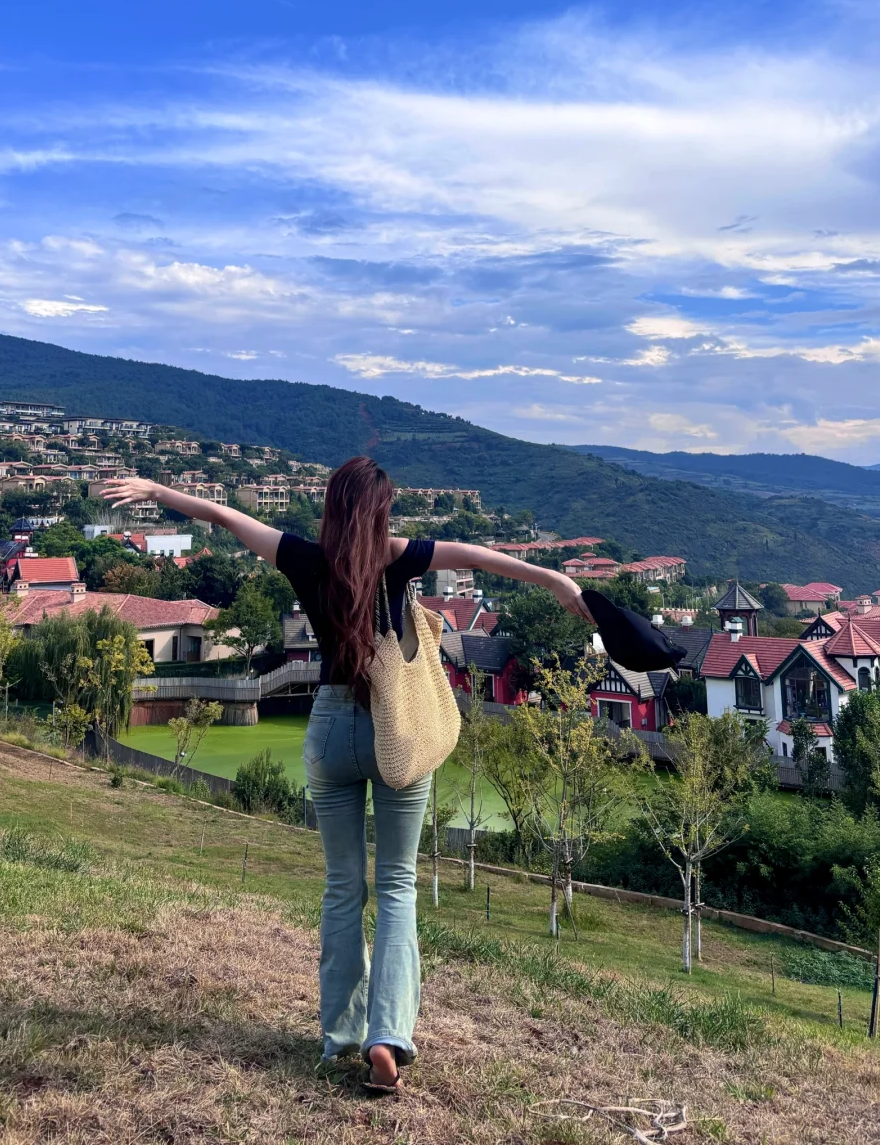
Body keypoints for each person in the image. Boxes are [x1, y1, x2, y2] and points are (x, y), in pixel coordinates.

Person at [100, 457, 591, 1092]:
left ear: (332, 504)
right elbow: (485, 556)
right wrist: (555, 579)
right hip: (397, 727)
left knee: (342, 887)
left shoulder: (304, 555)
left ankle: (341, 1034)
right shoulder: (400, 556)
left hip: (330, 727)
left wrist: (154, 490)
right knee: (395, 887)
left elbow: (223, 516)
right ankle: (386, 1037)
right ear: (383, 510)